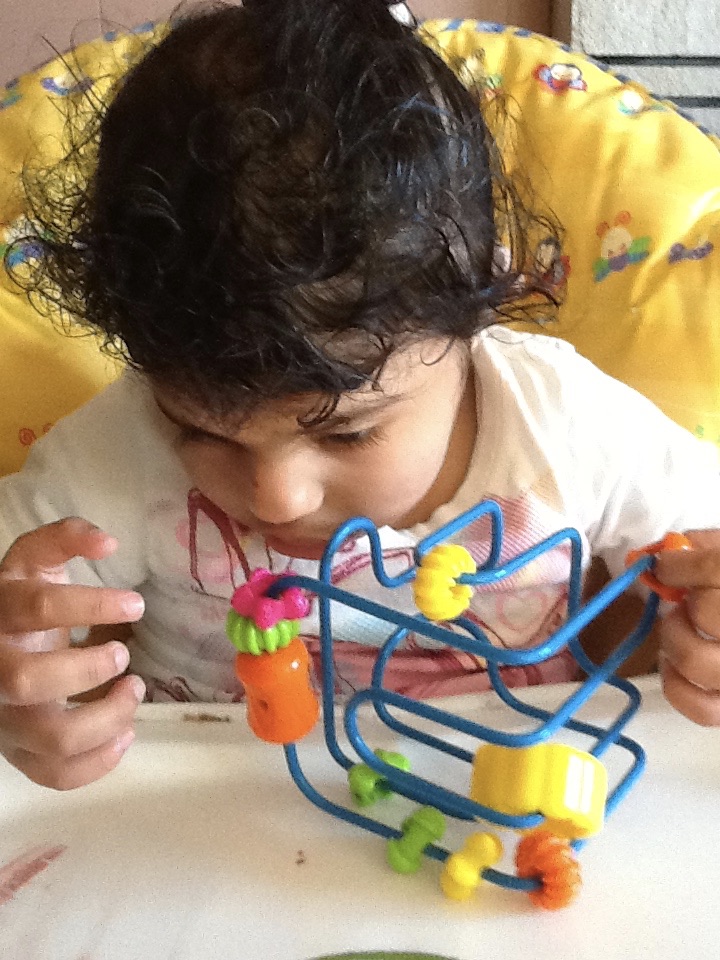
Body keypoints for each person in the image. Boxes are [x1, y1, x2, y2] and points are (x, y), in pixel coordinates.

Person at [0, 0, 719, 793]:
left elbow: (707, 552)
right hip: (211, 825)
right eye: (201, 432)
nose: (276, 498)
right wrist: (21, 687)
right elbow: (19, 611)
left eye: (346, 435)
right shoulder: (119, 451)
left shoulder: (565, 427)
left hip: (509, 811)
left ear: (475, 311)